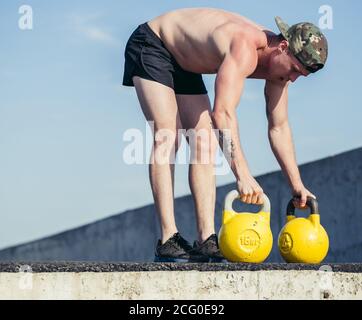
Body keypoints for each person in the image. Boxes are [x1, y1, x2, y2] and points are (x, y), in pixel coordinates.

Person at [122, 7, 328, 262]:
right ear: (284, 47)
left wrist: (297, 185)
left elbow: (279, 127)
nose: (293, 79)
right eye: (295, 69)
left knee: (204, 142)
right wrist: (242, 175)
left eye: (301, 75)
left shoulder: (280, 73)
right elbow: (222, 113)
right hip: (154, 43)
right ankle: (167, 238)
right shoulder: (244, 44)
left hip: (185, 62)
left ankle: (206, 240)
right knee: (168, 135)